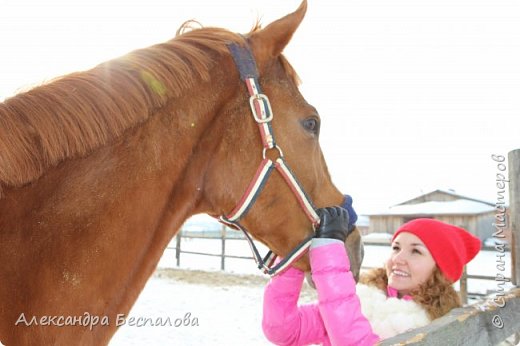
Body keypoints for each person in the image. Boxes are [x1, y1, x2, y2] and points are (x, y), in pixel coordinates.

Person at [262, 197, 481, 345]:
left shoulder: (434, 329)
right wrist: (292, 254)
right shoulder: (365, 299)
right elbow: (284, 330)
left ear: (440, 270)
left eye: (416, 252)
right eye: (396, 248)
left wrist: (329, 250)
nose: (398, 259)